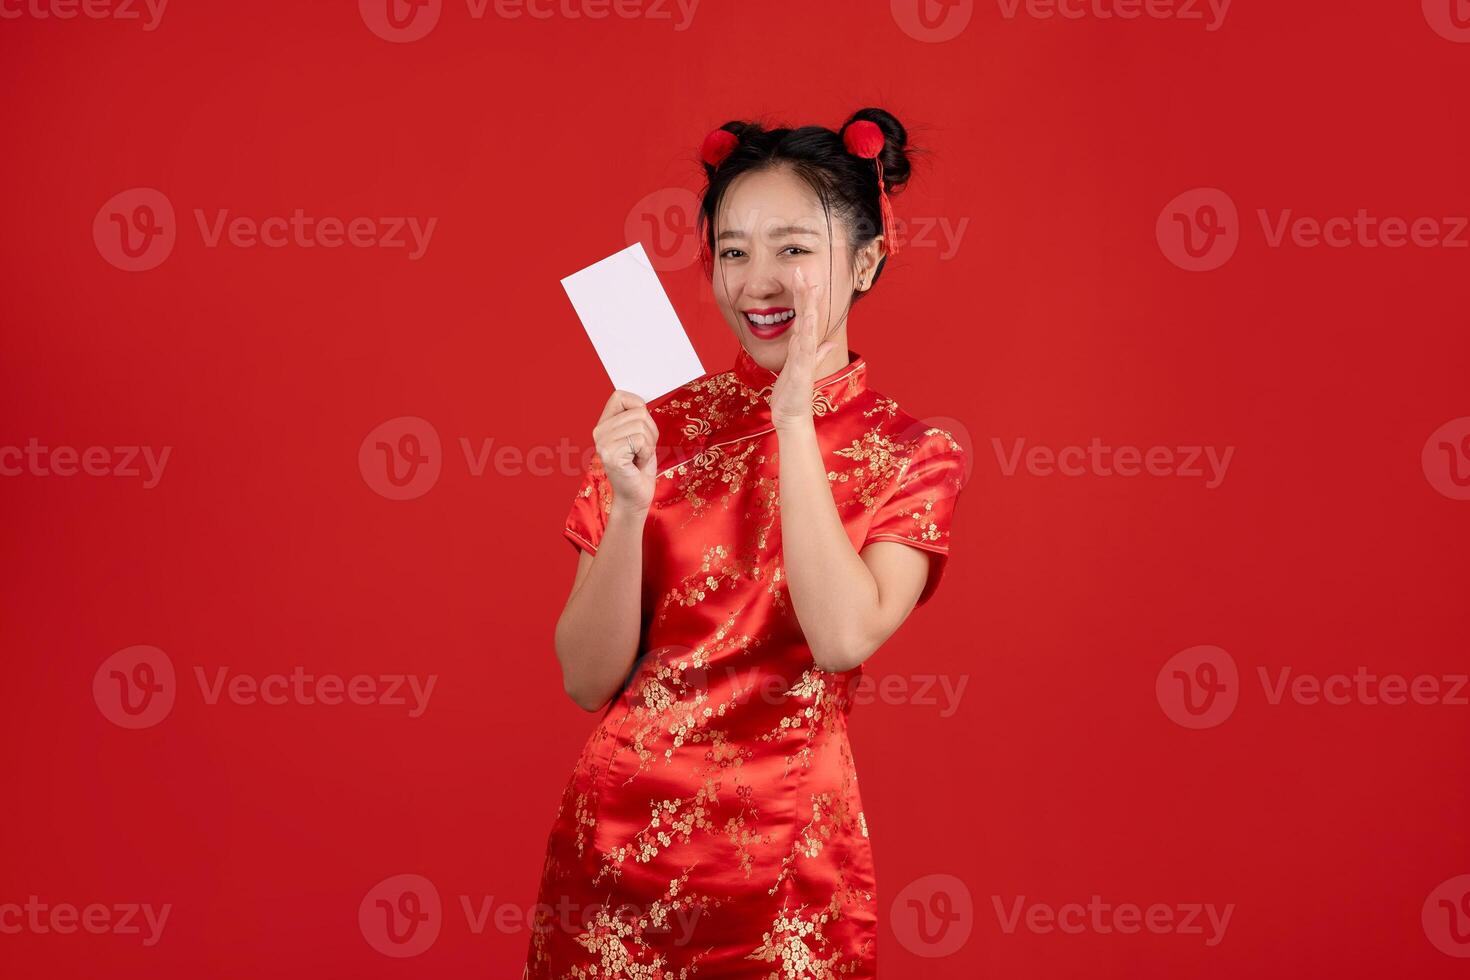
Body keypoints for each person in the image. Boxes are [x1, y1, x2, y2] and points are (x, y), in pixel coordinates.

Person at [524, 107, 968, 979]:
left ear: (867, 260)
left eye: (794, 249)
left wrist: (794, 417)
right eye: (733, 251)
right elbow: (585, 678)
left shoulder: (914, 452)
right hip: (615, 853)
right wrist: (625, 506)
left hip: (786, 868)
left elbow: (842, 637)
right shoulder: (657, 423)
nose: (757, 280)